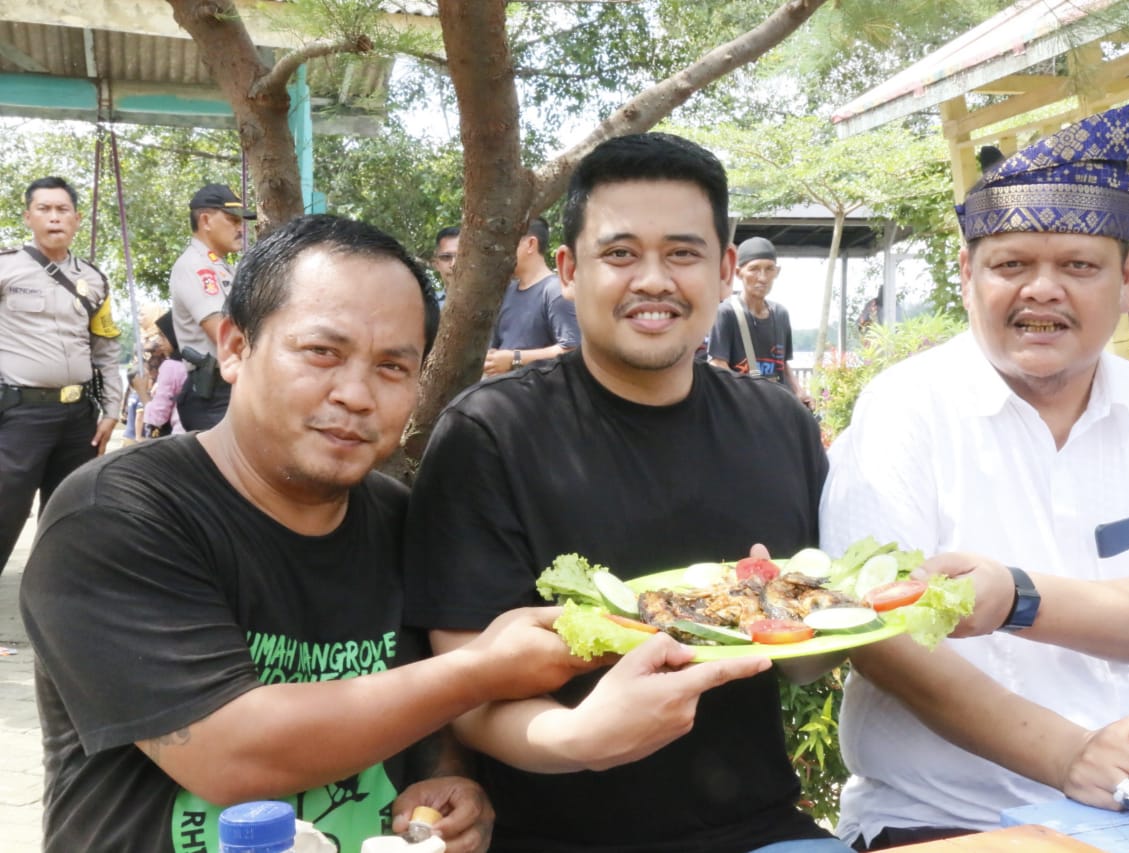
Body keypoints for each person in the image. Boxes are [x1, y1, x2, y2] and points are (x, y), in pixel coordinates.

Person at [20, 214, 749, 852]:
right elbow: (230, 754)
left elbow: (422, 710)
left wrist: (449, 780)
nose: (356, 394)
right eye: (322, 352)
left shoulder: (401, 517)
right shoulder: (117, 514)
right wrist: (483, 668)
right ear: (236, 348)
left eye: (394, 366)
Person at [820, 99, 1129, 848]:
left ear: (1128, 278)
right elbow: (877, 633)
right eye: (1011, 265)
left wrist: (1019, 596)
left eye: (1078, 266)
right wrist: (1067, 754)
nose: (1043, 290)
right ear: (968, 274)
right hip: (946, 819)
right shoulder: (906, 407)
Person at [405, 132, 846, 853]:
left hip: (760, 830)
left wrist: (798, 611)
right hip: (553, 841)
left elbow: (806, 662)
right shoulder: (490, 433)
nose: (653, 280)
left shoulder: (781, 425)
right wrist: (579, 738)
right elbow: (464, 690)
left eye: (683, 253)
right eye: (620, 253)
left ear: (725, 269)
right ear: (569, 271)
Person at [0, 175, 121, 574]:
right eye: (44, 209)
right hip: (19, 417)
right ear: (28, 217)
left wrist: (111, 409)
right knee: (4, 513)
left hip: (78, 419)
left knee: (69, 517)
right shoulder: (6, 268)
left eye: (62, 209)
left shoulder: (94, 279)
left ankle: (57, 602)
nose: (54, 217)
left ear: (77, 218)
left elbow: (106, 346)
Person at [170, 182, 255, 430]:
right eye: (232, 220)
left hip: (228, 387)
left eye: (241, 221)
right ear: (206, 220)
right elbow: (222, 332)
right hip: (213, 393)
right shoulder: (196, 266)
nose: (240, 228)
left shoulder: (220, 266)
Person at [709, 236, 813, 407]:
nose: (763, 278)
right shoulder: (726, 313)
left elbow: (783, 364)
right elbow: (718, 364)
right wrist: (749, 398)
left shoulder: (780, 314)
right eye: (754, 269)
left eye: (769, 269)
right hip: (742, 408)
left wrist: (799, 391)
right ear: (738, 273)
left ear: (777, 272)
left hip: (777, 407)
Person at [483, 217, 580, 375]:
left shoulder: (555, 291)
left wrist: (514, 359)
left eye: (507, 243)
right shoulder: (507, 292)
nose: (500, 251)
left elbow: (572, 349)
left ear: (531, 244)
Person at [141, 309, 186, 437]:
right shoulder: (203, 360)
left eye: (163, 336)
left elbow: (157, 417)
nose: (159, 341)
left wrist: (141, 392)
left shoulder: (171, 366)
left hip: (180, 437)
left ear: (175, 335)